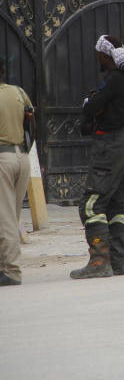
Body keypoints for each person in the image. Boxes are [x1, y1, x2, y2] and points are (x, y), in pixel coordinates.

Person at [71, 35, 124, 279]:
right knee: (116, 204)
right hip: (122, 143)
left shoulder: (113, 79)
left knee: (91, 203)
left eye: (98, 53)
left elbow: (90, 108)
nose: (96, 57)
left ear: (104, 55)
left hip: (109, 145)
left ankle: (99, 261)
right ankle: (119, 262)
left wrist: (90, 102)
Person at [0, 62, 33, 286]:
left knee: (5, 219)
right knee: (12, 216)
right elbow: (32, 124)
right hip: (22, 158)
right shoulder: (20, 93)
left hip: (2, 159)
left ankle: (11, 271)